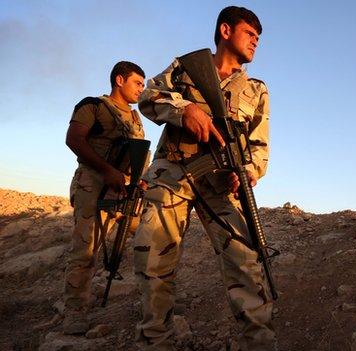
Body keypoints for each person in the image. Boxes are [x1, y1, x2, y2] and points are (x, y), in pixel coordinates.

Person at [133, 6, 274, 351]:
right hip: (172, 174)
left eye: (259, 37)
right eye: (249, 34)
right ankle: (156, 341)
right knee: (153, 261)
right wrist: (185, 110)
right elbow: (147, 97)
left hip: (220, 182)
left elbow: (259, 144)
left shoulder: (256, 89)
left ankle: (258, 342)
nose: (256, 41)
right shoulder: (186, 67)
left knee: (245, 262)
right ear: (225, 31)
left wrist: (249, 174)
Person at [64, 61, 146, 334]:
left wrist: (141, 180)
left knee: (149, 241)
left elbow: (138, 155)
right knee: (86, 251)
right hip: (94, 186)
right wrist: (107, 170)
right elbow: (74, 140)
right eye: (137, 83)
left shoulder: (135, 119)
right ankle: (75, 312)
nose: (141, 89)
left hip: (125, 190)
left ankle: (155, 304)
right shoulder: (93, 106)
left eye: (143, 85)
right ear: (119, 80)